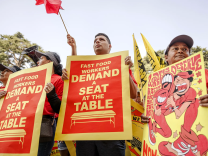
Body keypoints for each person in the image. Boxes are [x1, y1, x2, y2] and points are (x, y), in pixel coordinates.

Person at [62, 33, 138, 156]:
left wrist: (126, 70)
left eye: (101, 40)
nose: (97, 42)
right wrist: (73, 50)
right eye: (95, 40)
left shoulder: (121, 64)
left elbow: (134, 94)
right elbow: (75, 69)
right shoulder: (86, 67)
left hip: (112, 132)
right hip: (85, 133)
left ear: (110, 46)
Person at [151, 35, 208, 156]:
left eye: (185, 49)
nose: (180, 51)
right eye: (175, 48)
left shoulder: (204, 73)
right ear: (166, 57)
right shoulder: (157, 83)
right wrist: (147, 118)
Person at [24, 51, 64, 156]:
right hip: (26, 122)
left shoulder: (59, 80)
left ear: (50, 62)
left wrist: (52, 94)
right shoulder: (34, 80)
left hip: (44, 123)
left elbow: (59, 108)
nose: (38, 61)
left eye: (41, 58)